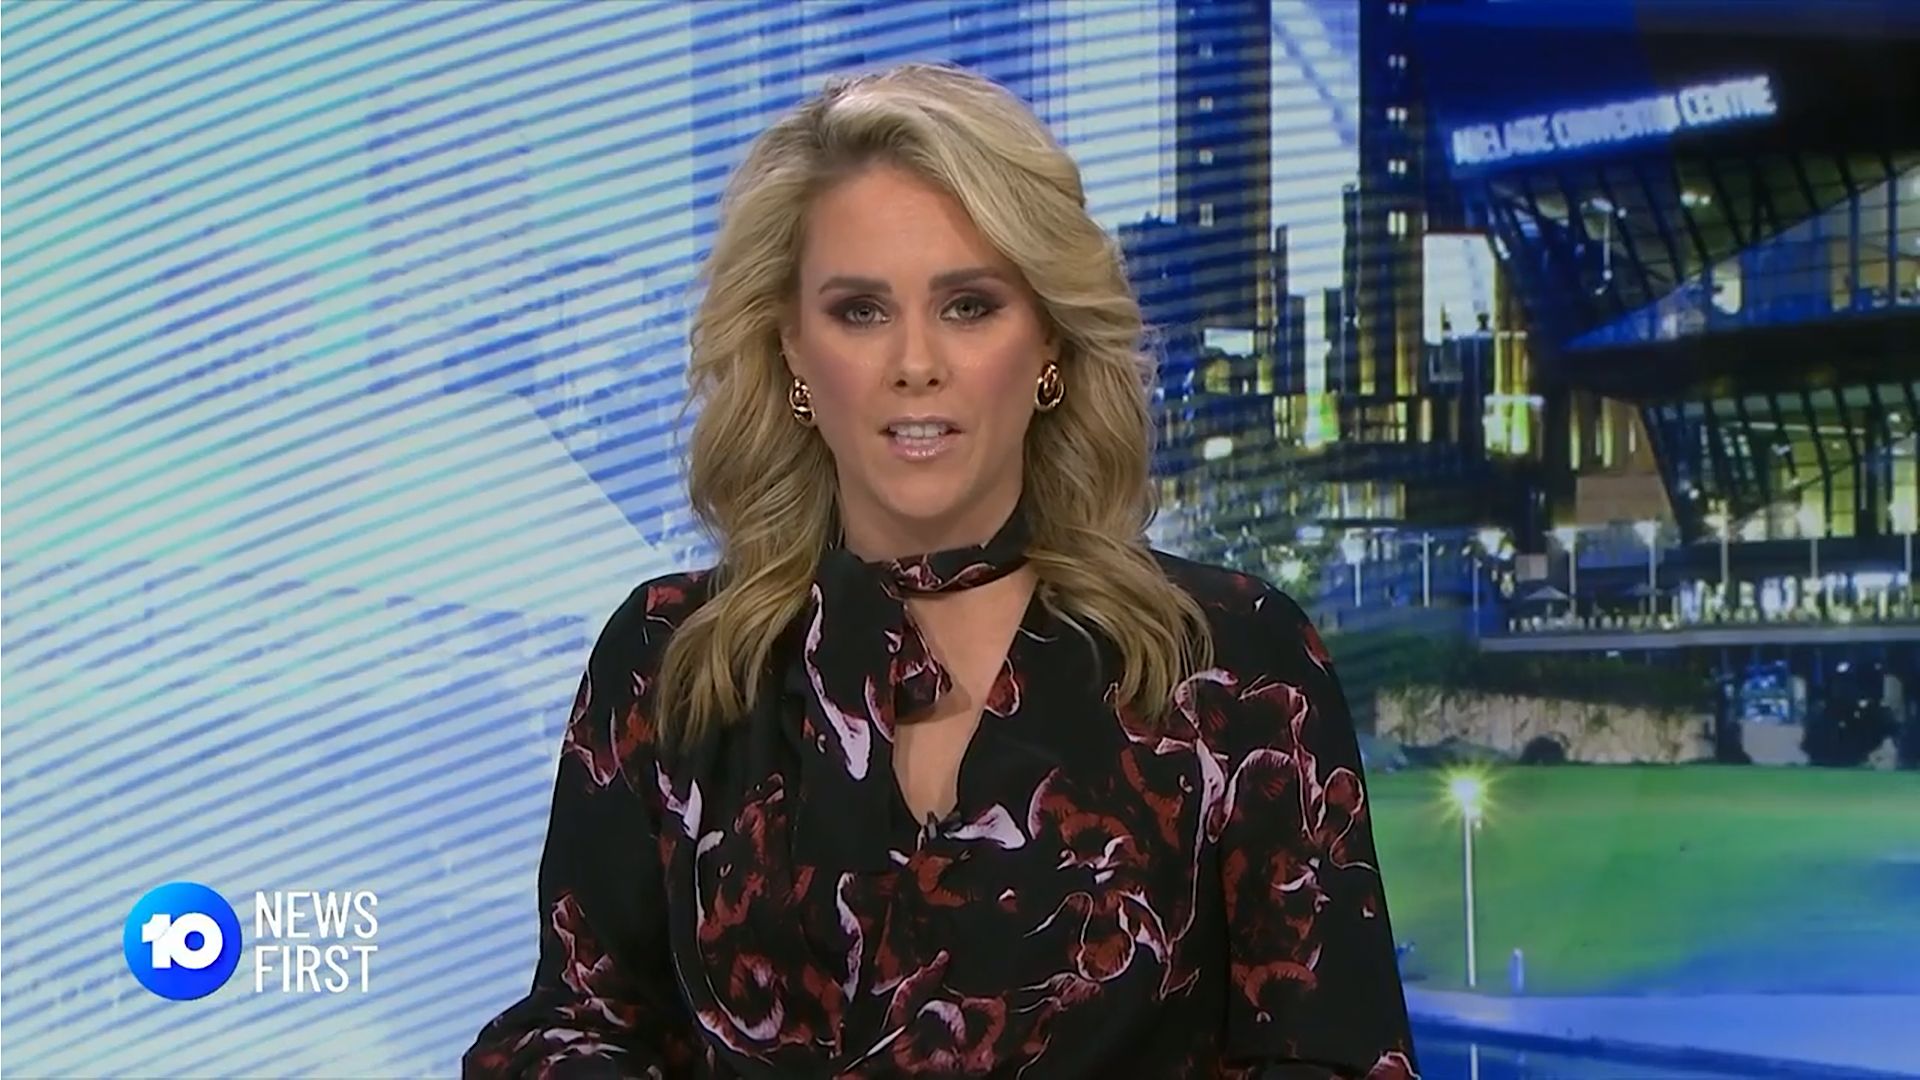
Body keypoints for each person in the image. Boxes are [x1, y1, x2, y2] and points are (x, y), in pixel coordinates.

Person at [464, 61, 1417, 1079]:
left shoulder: (1232, 663)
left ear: (1048, 343)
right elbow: (576, 1025)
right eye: (860, 311)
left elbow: (1336, 1060)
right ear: (792, 351)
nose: (915, 363)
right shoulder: (671, 661)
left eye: (968, 306)